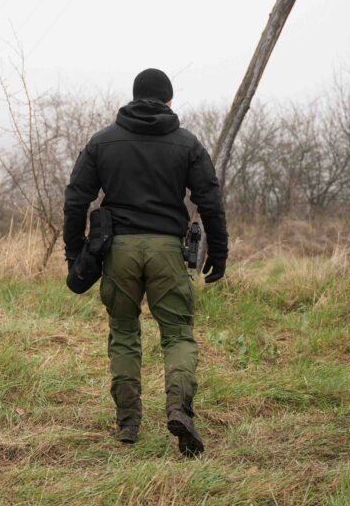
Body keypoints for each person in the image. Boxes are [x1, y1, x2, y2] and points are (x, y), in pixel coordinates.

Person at [63, 68, 227, 457]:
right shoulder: (187, 144)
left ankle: (127, 424)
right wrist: (218, 252)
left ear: (134, 97)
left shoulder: (103, 142)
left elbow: (75, 198)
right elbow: (210, 201)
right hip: (168, 251)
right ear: (169, 101)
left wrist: (75, 253)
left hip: (117, 251)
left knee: (123, 331)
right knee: (178, 335)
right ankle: (179, 409)